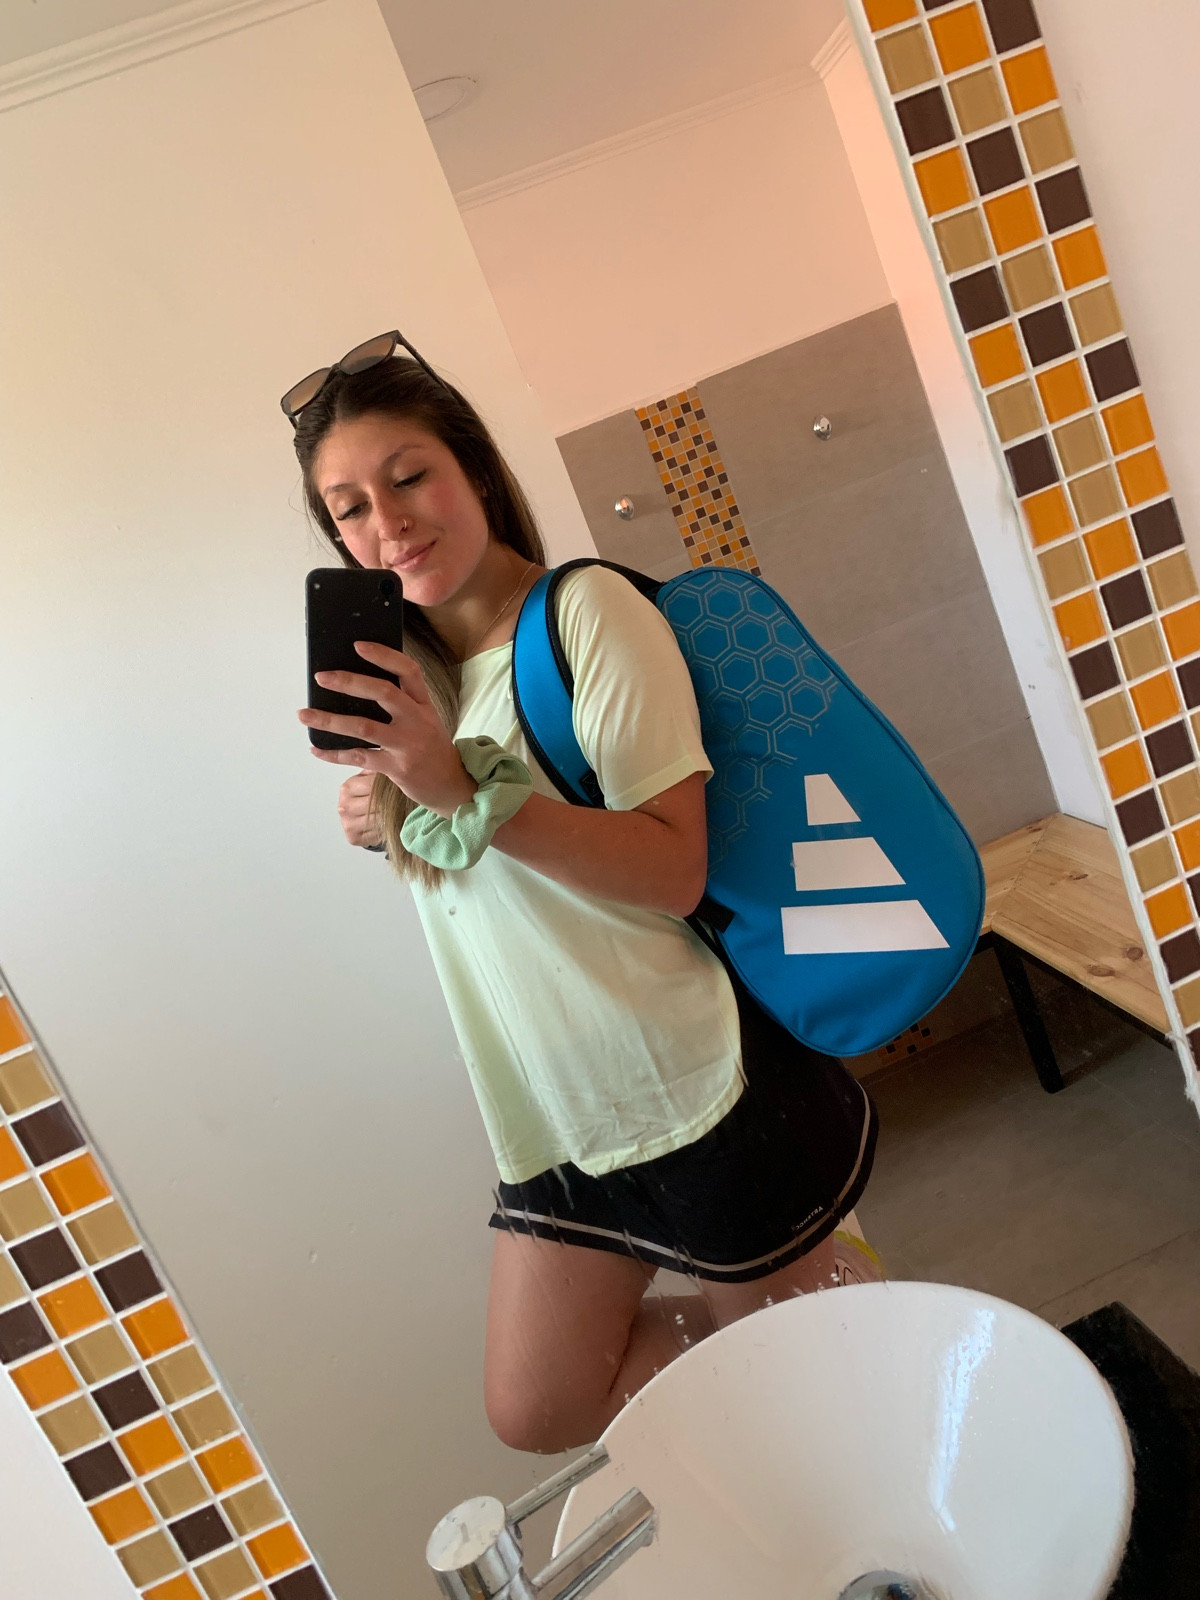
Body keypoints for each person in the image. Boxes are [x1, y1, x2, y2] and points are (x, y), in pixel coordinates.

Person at [286, 332, 879, 1454]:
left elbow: (670, 867)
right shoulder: (418, 685)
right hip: (555, 1109)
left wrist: (459, 790)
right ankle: (847, 1319)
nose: (387, 524)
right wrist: (398, 814)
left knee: (820, 1425)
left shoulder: (585, 615)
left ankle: (845, 1333)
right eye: (349, 508)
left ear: (473, 469)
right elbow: (502, 886)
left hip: (694, 1084)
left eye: (409, 477)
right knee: (539, 1406)